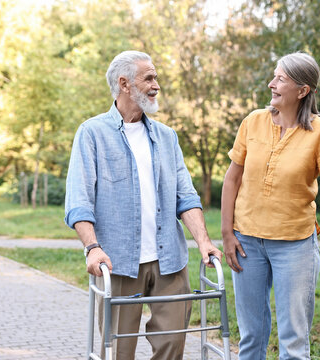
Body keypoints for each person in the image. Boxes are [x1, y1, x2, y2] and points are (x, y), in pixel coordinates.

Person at [64, 50, 222, 360]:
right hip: (118, 261)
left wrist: (203, 241)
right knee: (119, 350)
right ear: (124, 83)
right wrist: (92, 247)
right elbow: (78, 201)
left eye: (156, 78)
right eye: (148, 78)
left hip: (169, 259)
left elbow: (186, 196)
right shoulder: (92, 133)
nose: (156, 85)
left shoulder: (166, 137)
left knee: (173, 345)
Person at [221, 52, 320, 360]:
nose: (271, 84)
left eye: (280, 79)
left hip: (295, 247)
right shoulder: (253, 122)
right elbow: (231, 180)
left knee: (293, 342)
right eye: (274, 76)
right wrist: (227, 233)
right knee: (251, 337)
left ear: (302, 90)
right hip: (246, 243)